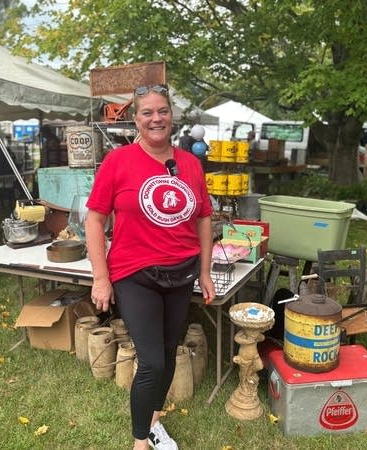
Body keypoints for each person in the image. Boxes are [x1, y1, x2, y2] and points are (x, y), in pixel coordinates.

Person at [85, 84, 215, 450]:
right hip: (134, 272)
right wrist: (100, 278)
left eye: (162, 111)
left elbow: (204, 218)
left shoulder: (189, 163)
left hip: (181, 272)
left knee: (169, 352)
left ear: (172, 116)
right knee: (153, 363)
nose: (156, 118)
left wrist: (204, 272)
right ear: (136, 119)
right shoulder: (118, 161)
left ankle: (154, 421)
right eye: (147, 112)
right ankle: (140, 443)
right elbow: (94, 220)